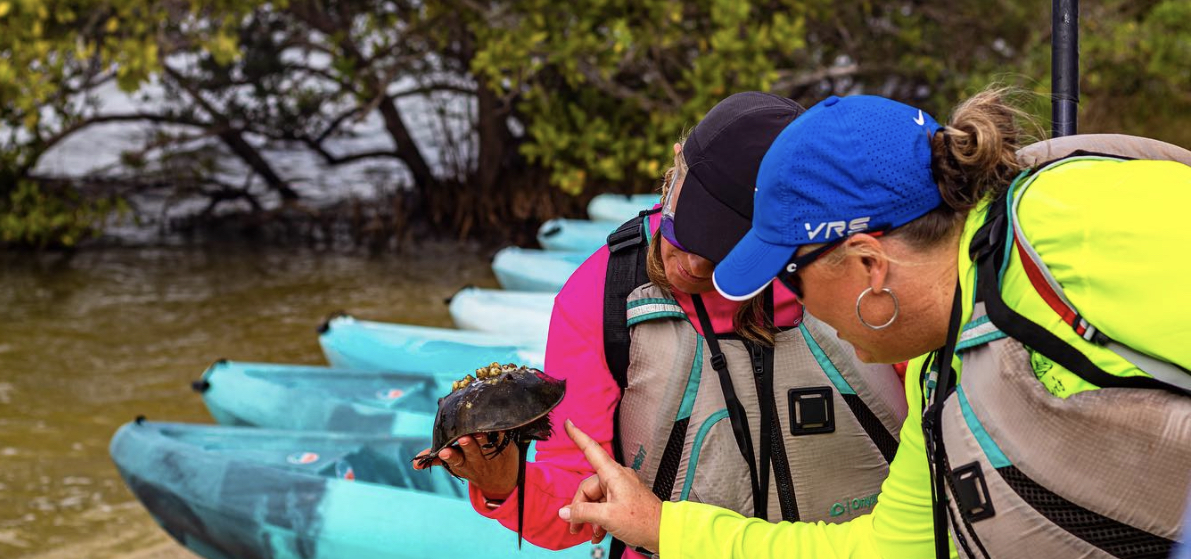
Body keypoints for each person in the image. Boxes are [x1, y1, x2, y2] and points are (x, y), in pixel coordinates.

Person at [556, 89, 1191, 559]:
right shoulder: (942, 370)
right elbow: (885, 552)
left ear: (867, 263)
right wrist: (661, 525)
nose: (791, 304)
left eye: (791, 275)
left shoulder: (1073, 227)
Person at [416, 92, 909, 556]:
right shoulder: (601, 297)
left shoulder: (861, 275)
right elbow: (579, 501)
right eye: (686, 227)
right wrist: (507, 487)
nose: (692, 265)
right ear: (675, 171)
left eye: (723, 251)